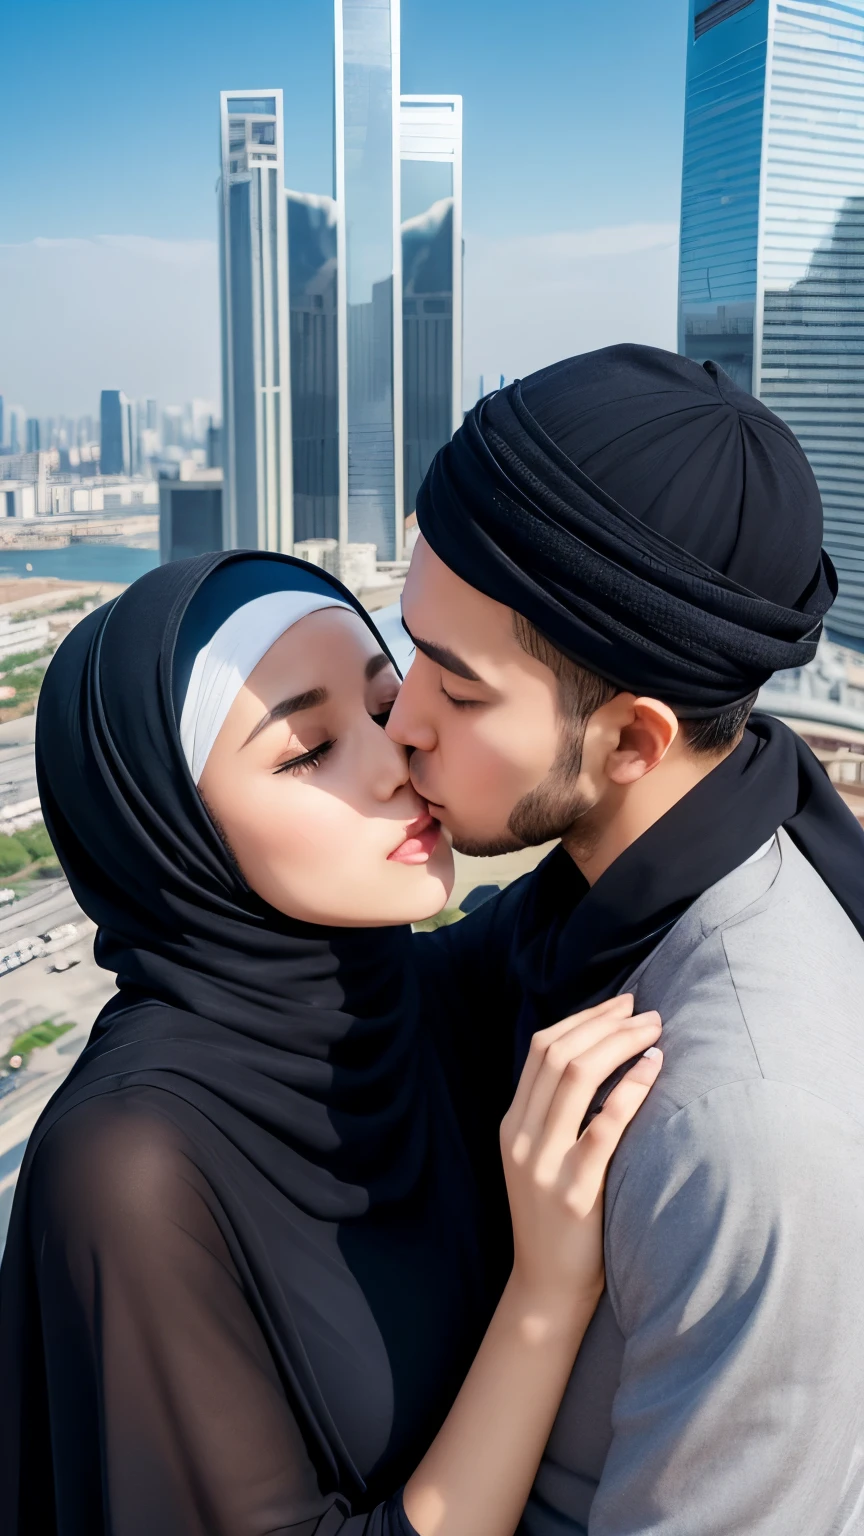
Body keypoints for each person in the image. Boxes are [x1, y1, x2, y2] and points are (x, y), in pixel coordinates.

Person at [0, 551, 662, 1536]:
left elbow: (671, 820)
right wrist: (545, 1298)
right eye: (308, 750)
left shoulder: (428, 1002)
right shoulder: (127, 1171)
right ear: (174, 839)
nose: (398, 759)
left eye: (388, 703)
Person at [388, 345, 864, 1534]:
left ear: (633, 742)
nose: (401, 722)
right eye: (408, 660)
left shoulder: (741, 1129)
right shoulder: (594, 899)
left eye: (456, 691)